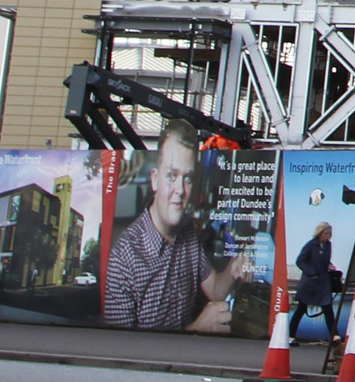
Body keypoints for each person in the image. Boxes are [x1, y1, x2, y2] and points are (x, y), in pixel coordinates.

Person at [103, 127, 248, 331]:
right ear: (155, 179)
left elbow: (215, 291)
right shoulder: (124, 257)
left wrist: (233, 268)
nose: (180, 190)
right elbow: (121, 349)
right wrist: (197, 328)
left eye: (187, 178)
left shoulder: (186, 231)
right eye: (172, 175)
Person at [291, 220, 344, 346]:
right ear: (319, 233)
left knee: (328, 308)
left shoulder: (328, 246)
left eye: (329, 234)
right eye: (325, 233)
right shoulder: (310, 245)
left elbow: (325, 261)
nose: (327, 236)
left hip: (323, 281)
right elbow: (300, 261)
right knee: (301, 309)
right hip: (311, 282)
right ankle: (290, 335)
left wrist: (329, 266)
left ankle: (334, 336)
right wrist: (312, 272)